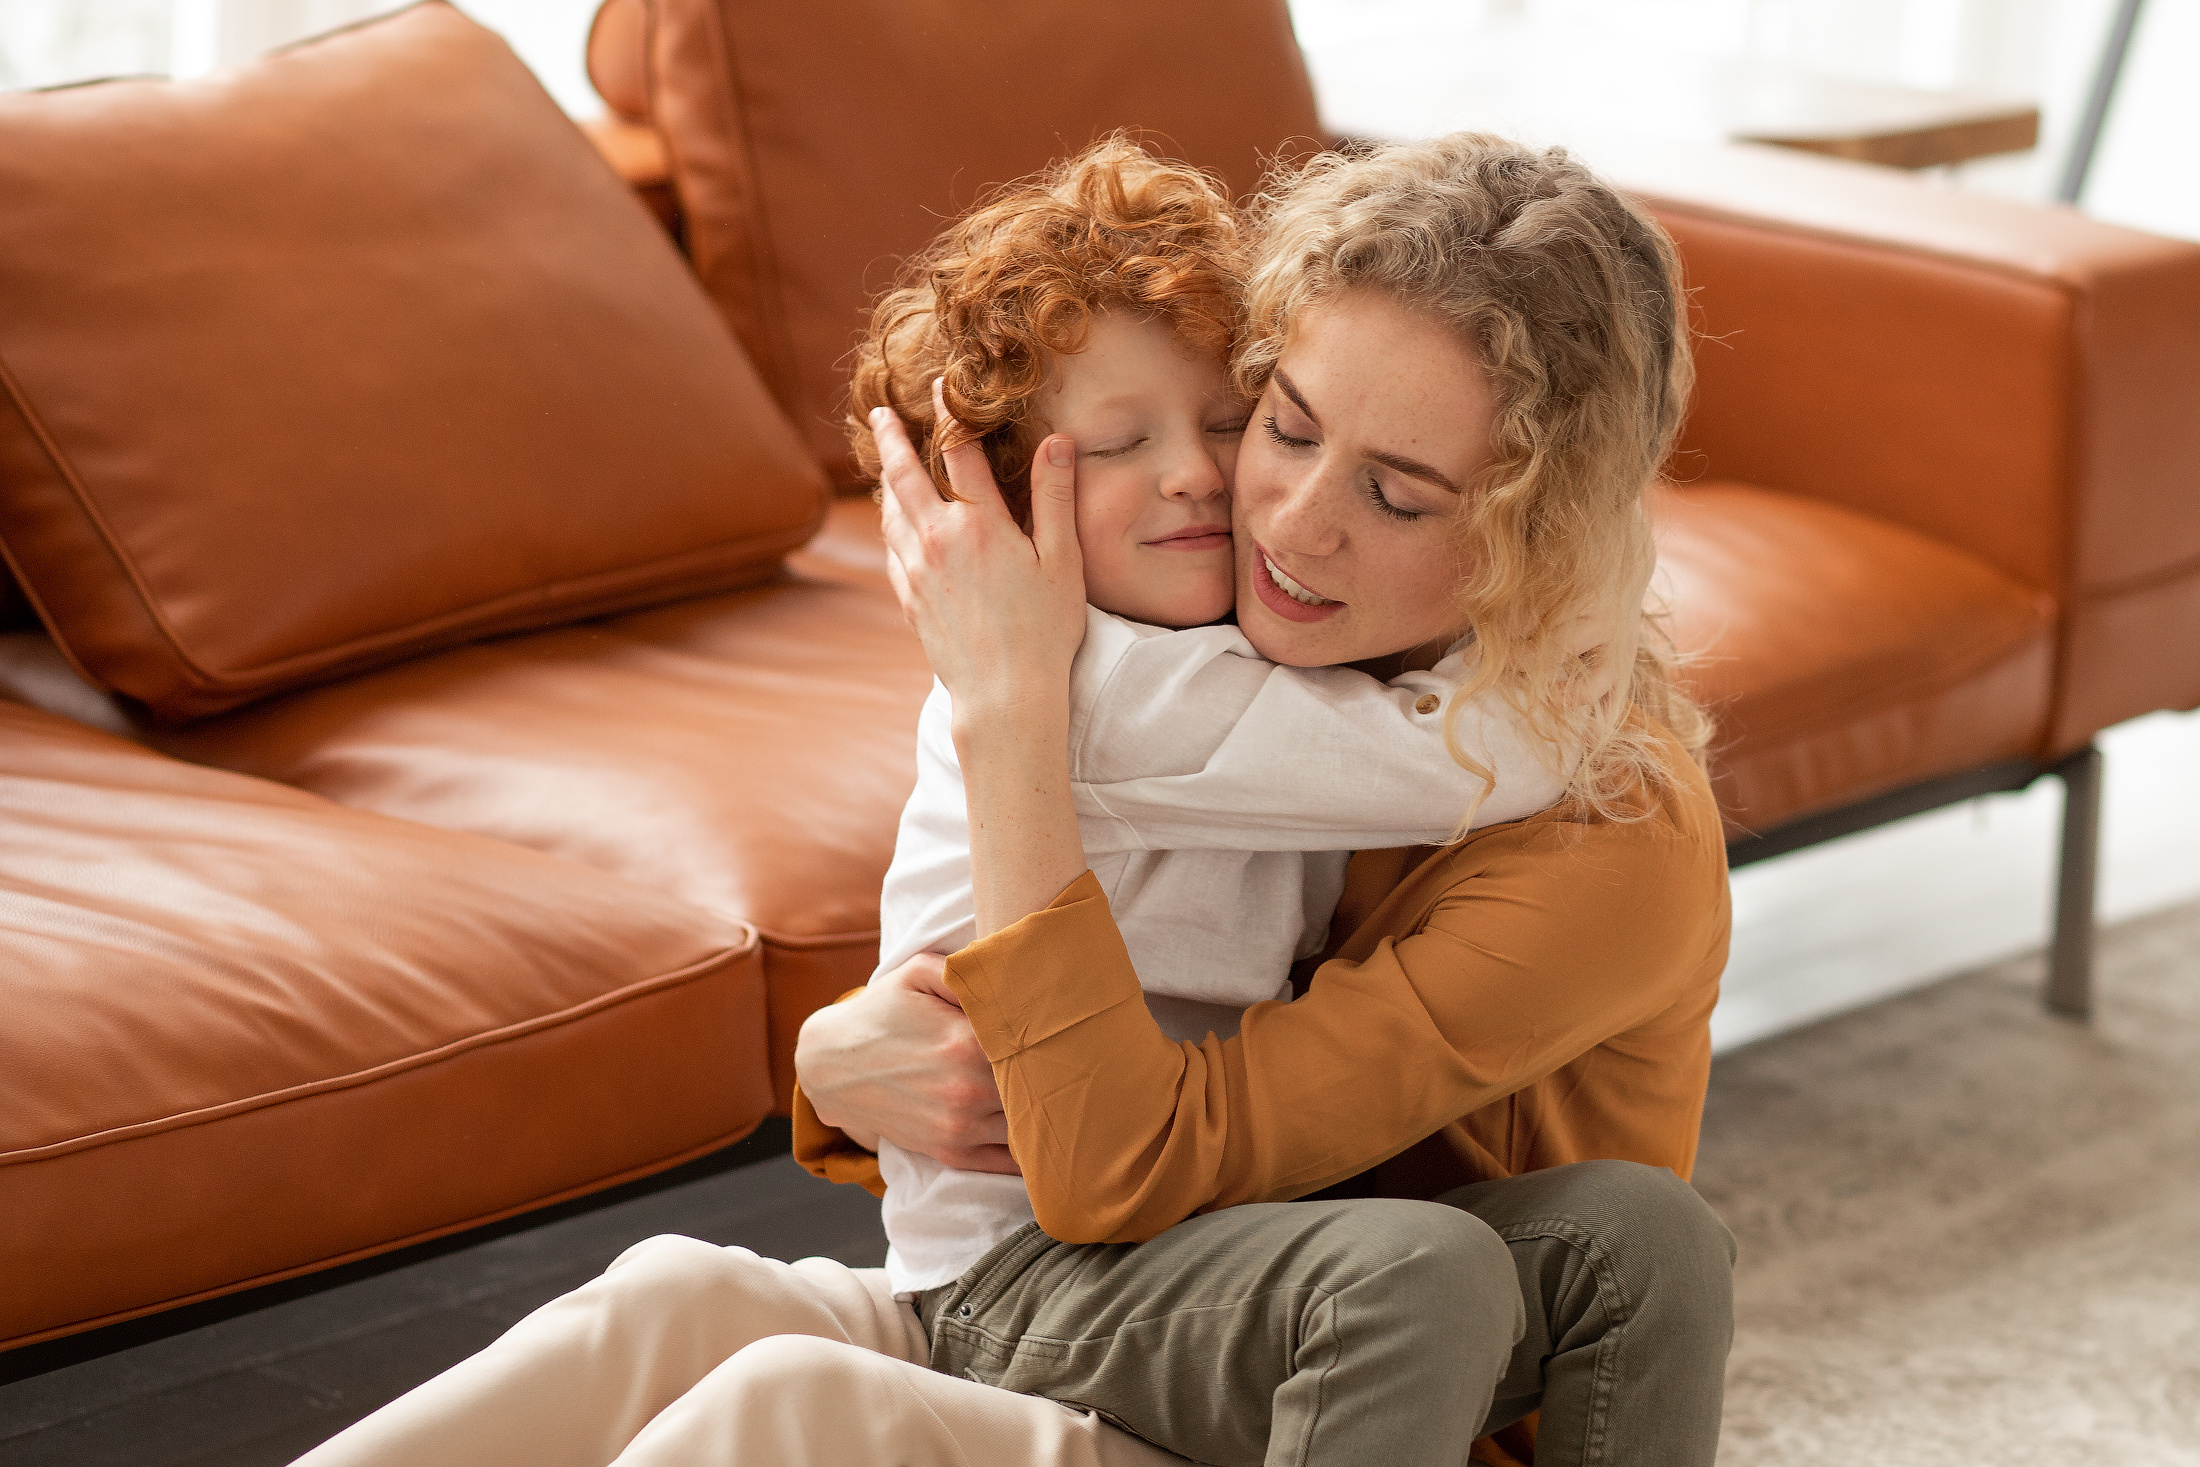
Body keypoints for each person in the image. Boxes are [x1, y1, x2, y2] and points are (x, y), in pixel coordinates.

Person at [292, 132, 1735, 1467]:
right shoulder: (1249, 666)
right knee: (676, 1298)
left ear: (1536, 530)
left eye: (1400, 495)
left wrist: (1005, 719)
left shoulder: (1576, 814)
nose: (1279, 515)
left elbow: (1132, 1158)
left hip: (1332, 1338)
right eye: (1284, 426)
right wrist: (837, 1057)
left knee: (1597, 1243)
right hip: (1178, 1278)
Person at [846, 138, 1571, 1466]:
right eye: (1116, 445)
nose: (1196, 473)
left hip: (1160, 1222)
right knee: (1419, 1274)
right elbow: (1498, 755)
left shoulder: (1218, 661)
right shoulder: (1114, 695)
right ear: (1000, 507)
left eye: (1233, 424)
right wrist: (1578, 570)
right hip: (1022, 1271)